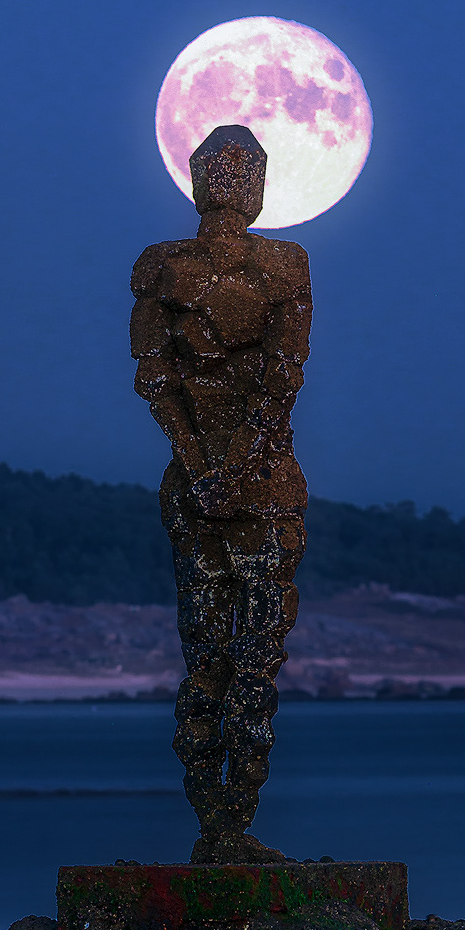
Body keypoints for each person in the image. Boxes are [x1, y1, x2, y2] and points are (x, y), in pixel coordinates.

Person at [131, 125, 311, 863]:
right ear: (256, 185)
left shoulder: (158, 268)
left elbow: (155, 380)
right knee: (254, 658)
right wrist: (234, 471)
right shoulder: (287, 266)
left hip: (196, 491)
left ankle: (218, 825)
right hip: (263, 493)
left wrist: (201, 466)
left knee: (204, 654)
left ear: (199, 181)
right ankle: (231, 820)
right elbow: (280, 385)